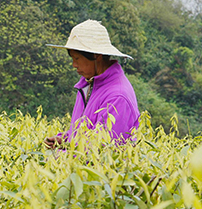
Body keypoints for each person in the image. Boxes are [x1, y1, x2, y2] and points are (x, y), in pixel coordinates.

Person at [44, 19, 140, 147]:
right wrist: (64, 140)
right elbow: (85, 132)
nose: (74, 65)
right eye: (72, 58)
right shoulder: (88, 84)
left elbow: (100, 152)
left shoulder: (118, 97)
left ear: (97, 56)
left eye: (77, 58)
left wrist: (57, 158)